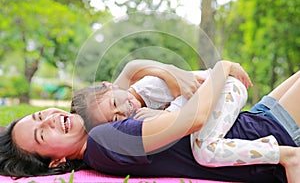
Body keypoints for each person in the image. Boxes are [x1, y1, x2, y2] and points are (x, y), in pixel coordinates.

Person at [0, 60, 299, 182]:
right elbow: (194, 119)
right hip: (272, 134)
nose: (50, 121)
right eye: (42, 134)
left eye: (41, 116)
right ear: (55, 162)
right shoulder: (107, 141)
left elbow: (124, 80)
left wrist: (169, 72)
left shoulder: (98, 130)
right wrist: (221, 68)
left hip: (256, 120)